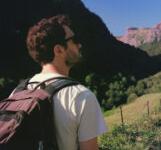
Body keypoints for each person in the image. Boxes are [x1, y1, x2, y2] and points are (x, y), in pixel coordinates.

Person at [25, 14, 108, 150]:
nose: (79, 45)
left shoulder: (18, 92)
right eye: (74, 40)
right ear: (59, 50)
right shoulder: (81, 97)